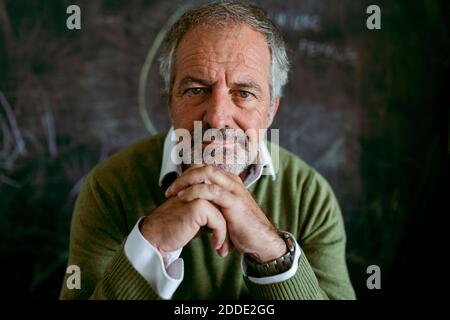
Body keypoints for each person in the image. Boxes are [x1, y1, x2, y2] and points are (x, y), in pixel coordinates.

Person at [60, 1, 355, 300]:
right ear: (170, 102)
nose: (217, 117)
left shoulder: (310, 195)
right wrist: (152, 245)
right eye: (196, 90)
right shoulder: (110, 187)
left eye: (243, 93)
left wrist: (272, 252)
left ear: (270, 111)